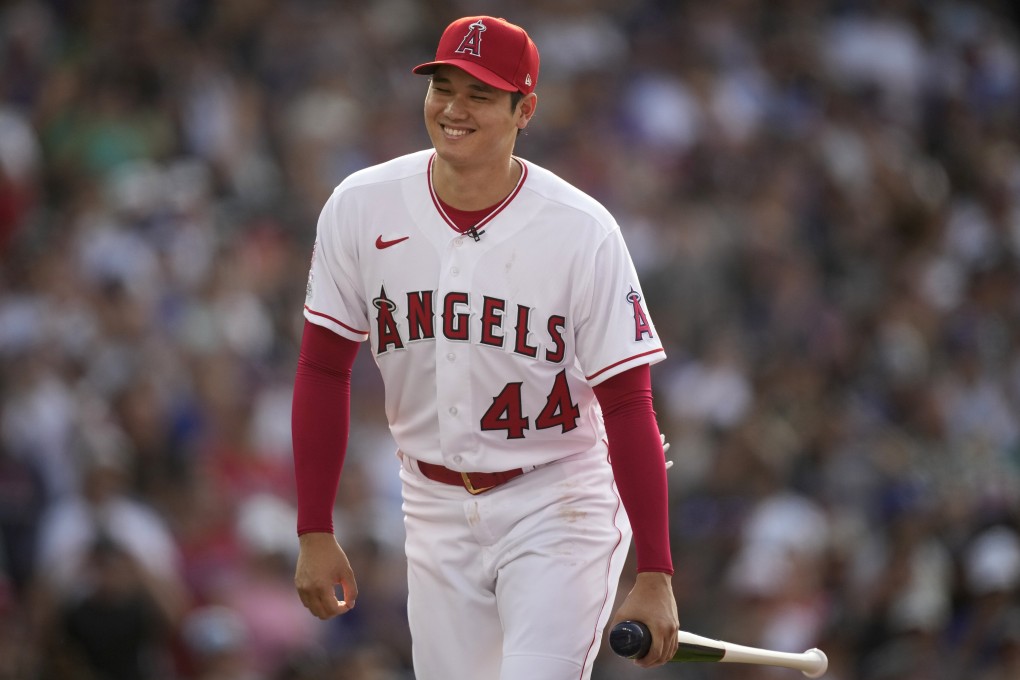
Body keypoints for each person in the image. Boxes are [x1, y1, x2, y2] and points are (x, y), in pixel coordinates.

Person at [292, 15, 679, 679]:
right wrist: (315, 529)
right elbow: (324, 369)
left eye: (480, 94)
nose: (453, 109)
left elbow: (627, 402)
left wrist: (655, 572)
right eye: (443, 87)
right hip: (432, 501)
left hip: (557, 498)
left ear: (524, 109)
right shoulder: (361, 206)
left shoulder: (581, 231)